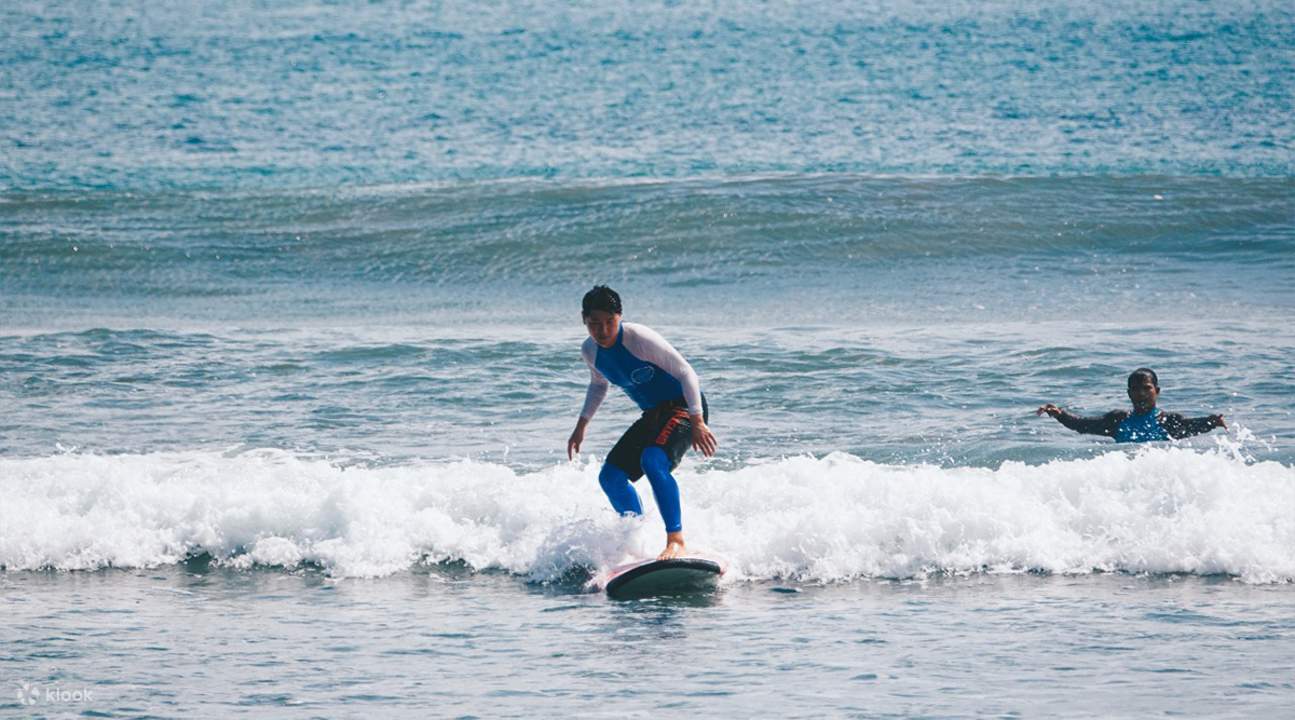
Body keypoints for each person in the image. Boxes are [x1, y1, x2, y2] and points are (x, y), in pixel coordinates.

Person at [567, 285, 717, 560]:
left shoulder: (638, 338)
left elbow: (686, 372)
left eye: (609, 322)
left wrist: (697, 421)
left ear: (620, 317)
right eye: (594, 324)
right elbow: (598, 385)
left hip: (684, 407)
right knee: (611, 477)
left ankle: (676, 540)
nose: (602, 331)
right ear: (584, 320)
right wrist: (581, 426)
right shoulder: (590, 351)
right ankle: (636, 540)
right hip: (653, 415)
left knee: (652, 460)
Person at [1036, 368, 1226, 442]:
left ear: (1157, 391)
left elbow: (1194, 426)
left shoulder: (1169, 421)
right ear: (1129, 393)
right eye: (1135, 389)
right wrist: (1060, 414)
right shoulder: (1118, 420)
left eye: (1146, 388)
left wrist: (1212, 422)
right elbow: (1082, 425)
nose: (1141, 393)